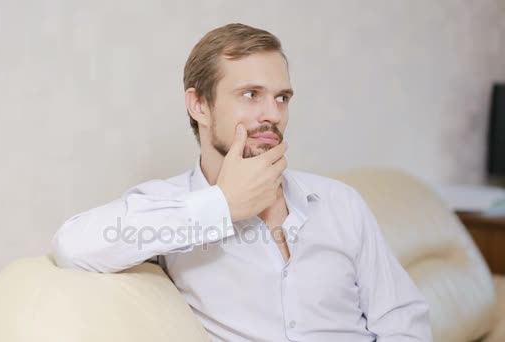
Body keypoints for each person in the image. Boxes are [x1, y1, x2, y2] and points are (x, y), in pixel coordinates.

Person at [52, 23, 432, 342]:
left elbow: (402, 320)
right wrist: (221, 205)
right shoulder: (170, 204)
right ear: (199, 105)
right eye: (251, 95)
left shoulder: (340, 202)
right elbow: (74, 244)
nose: (273, 114)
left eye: (282, 97)